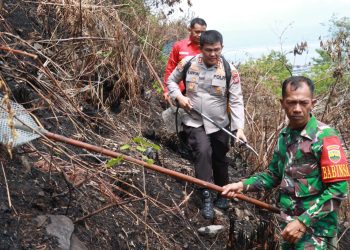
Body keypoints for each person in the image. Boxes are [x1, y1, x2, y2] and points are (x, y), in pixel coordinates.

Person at [222, 76, 350, 249]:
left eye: (303, 103)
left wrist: (303, 222)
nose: (297, 109)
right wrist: (242, 185)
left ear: (313, 103)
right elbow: (273, 175)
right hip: (289, 229)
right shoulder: (285, 136)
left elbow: (338, 190)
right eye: (291, 102)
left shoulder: (325, 137)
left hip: (315, 233)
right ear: (282, 103)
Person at [167, 30, 247, 220]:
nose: (213, 54)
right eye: (209, 50)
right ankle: (206, 195)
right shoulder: (188, 64)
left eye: (217, 50)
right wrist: (179, 96)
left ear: (222, 47)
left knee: (220, 158)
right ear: (200, 48)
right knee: (202, 152)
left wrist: (239, 128)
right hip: (194, 120)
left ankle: (222, 193)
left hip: (219, 123)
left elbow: (236, 101)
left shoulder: (229, 70)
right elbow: (171, 81)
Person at [163, 18, 207, 102]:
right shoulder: (179, 46)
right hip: (180, 93)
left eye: (203, 32)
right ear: (190, 29)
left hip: (201, 94)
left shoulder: (208, 48)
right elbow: (170, 68)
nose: (200, 35)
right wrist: (167, 90)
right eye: (197, 32)